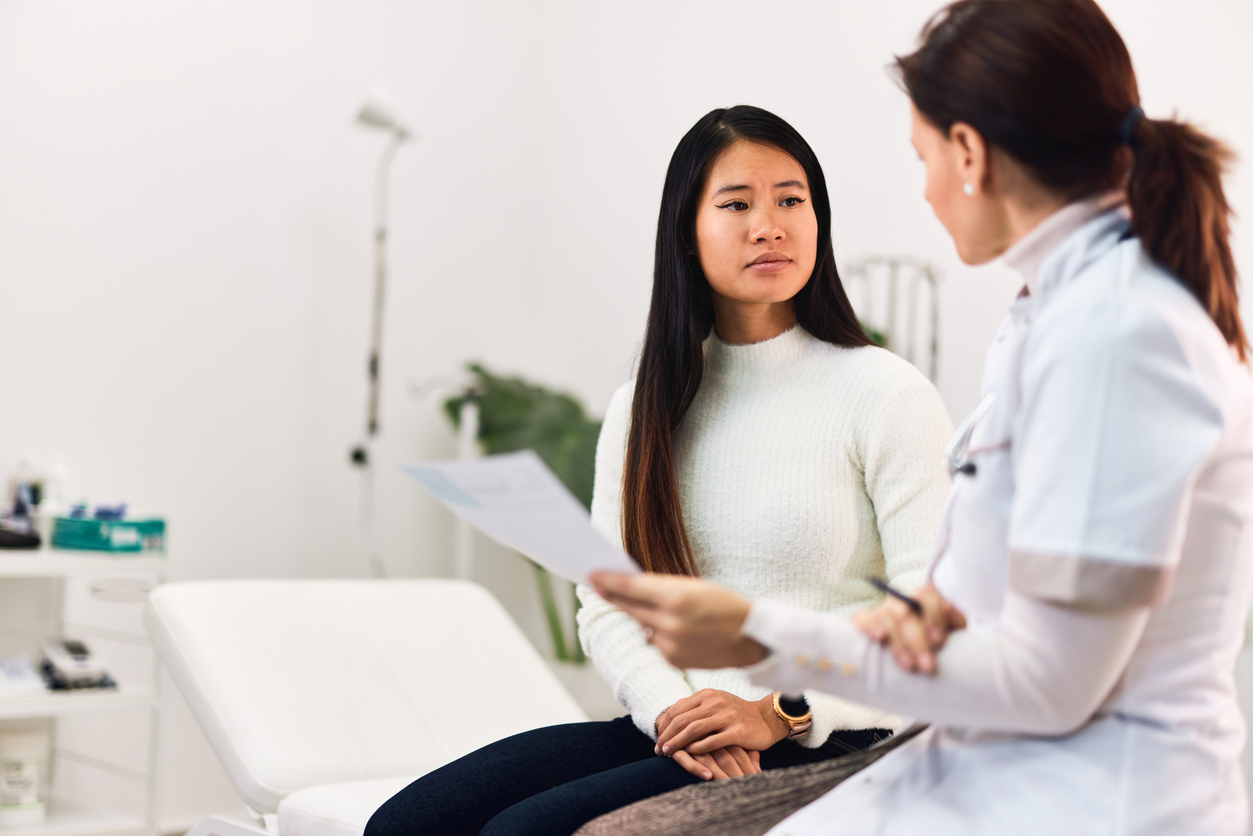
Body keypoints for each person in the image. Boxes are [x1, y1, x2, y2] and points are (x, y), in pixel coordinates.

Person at [588, 2, 1253, 835]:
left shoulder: (1117, 339)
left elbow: (1052, 683)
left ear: (968, 151)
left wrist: (762, 642)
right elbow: (1004, 602)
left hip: (1086, 796)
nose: (927, 189)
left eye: (922, 157)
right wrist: (930, 610)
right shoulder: (1054, 316)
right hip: (986, 766)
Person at [363, 105, 953, 836]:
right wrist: (669, 711)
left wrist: (780, 712)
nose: (768, 224)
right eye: (736, 203)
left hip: (824, 737)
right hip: (677, 726)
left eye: (790, 200)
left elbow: (930, 619)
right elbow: (609, 602)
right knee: (407, 823)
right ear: (686, 233)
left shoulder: (885, 394)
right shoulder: (646, 406)